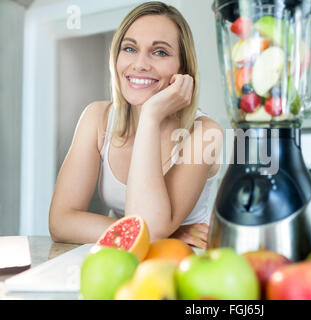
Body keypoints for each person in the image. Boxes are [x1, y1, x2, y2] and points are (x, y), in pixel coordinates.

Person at [49, 2, 223, 249]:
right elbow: (61, 221)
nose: (140, 64)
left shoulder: (205, 133)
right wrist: (167, 234)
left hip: (181, 270)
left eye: (160, 52)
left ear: (183, 68)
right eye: (129, 48)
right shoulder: (97, 117)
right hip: (122, 262)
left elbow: (149, 233)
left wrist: (150, 116)